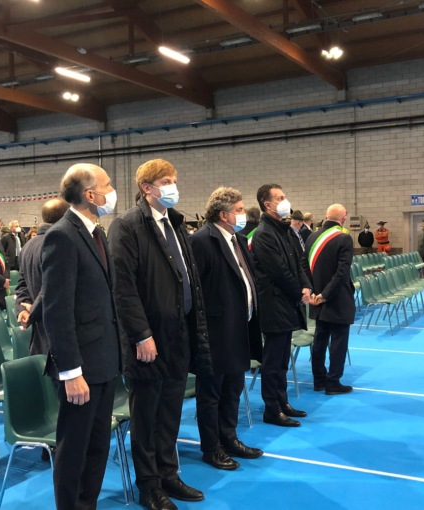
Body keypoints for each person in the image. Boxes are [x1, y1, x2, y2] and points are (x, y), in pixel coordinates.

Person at [108, 158, 210, 510]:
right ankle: (149, 485)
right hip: (148, 338)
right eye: (166, 181)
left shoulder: (176, 223)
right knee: (147, 416)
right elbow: (123, 288)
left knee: (170, 412)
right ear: (146, 187)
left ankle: (168, 473)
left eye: (174, 179)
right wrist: (140, 334)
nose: (172, 186)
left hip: (178, 332)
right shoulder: (127, 226)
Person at [41, 163, 121, 510]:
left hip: (104, 360)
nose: (112, 191)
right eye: (107, 185)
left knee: (98, 446)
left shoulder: (95, 233)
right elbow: (57, 310)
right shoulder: (63, 235)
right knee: (74, 450)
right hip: (81, 368)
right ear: (90, 194)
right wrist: (71, 371)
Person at [189, 187, 264, 471]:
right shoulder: (202, 240)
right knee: (211, 394)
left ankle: (229, 438)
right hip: (215, 331)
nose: (243, 214)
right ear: (223, 214)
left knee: (234, 387)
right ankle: (211, 447)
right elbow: (196, 290)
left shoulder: (238, 239)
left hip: (240, 327)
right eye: (240, 210)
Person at [250, 183, 311, 428]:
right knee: (273, 362)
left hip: (287, 302)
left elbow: (298, 263)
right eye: (280, 197)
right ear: (267, 204)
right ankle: (272, 409)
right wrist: (298, 292)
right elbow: (279, 271)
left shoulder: (284, 230)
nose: (285, 201)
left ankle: (283, 402)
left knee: (283, 359)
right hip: (274, 303)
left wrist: (306, 286)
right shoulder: (264, 233)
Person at [307, 204, 355, 395]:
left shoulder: (312, 237)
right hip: (336, 298)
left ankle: (319, 380)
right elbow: (342, 272)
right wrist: (325, 295)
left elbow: (303, 267)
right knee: (338, 342)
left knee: (319, 340)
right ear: (343, 218)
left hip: (316, 298)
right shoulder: (344, 238)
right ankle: (333, 382)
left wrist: (313, 292)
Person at [15, 198, 69, 355]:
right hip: (59, 331)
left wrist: (23, 308)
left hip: (40, 331)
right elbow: (52, 286)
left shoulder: (28, 245)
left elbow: (22, 284)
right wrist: (33, 310)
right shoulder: (58, 243)